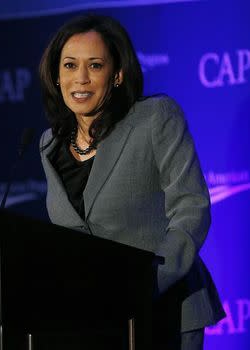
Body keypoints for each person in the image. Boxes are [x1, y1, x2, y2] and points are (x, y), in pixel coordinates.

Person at [38, 14, 225, 349]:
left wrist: (146, 284)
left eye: (95, 65)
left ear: (118, 74)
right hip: (92, 322)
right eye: (69, 65)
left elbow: (191, 209)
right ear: (56, 75)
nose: (80, 78)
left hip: (163, 311)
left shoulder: (155, 119)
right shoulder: (49, 144)